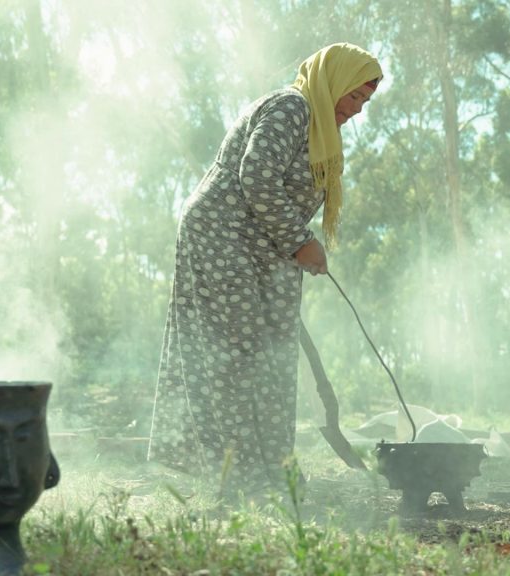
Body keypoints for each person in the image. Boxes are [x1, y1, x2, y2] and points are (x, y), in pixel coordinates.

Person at [147, 43, 382, 495]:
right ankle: (240, 479)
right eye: (353, 95)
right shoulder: (292, 108)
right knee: (236, 353)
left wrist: (296, 244)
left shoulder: (322, 131)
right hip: (222, 234)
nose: (356, 109)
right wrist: (300, 241)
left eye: (364, 101)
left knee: (275, 354)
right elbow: (255, 175)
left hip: (267, 248)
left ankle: (276, 471)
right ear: (332, 81)